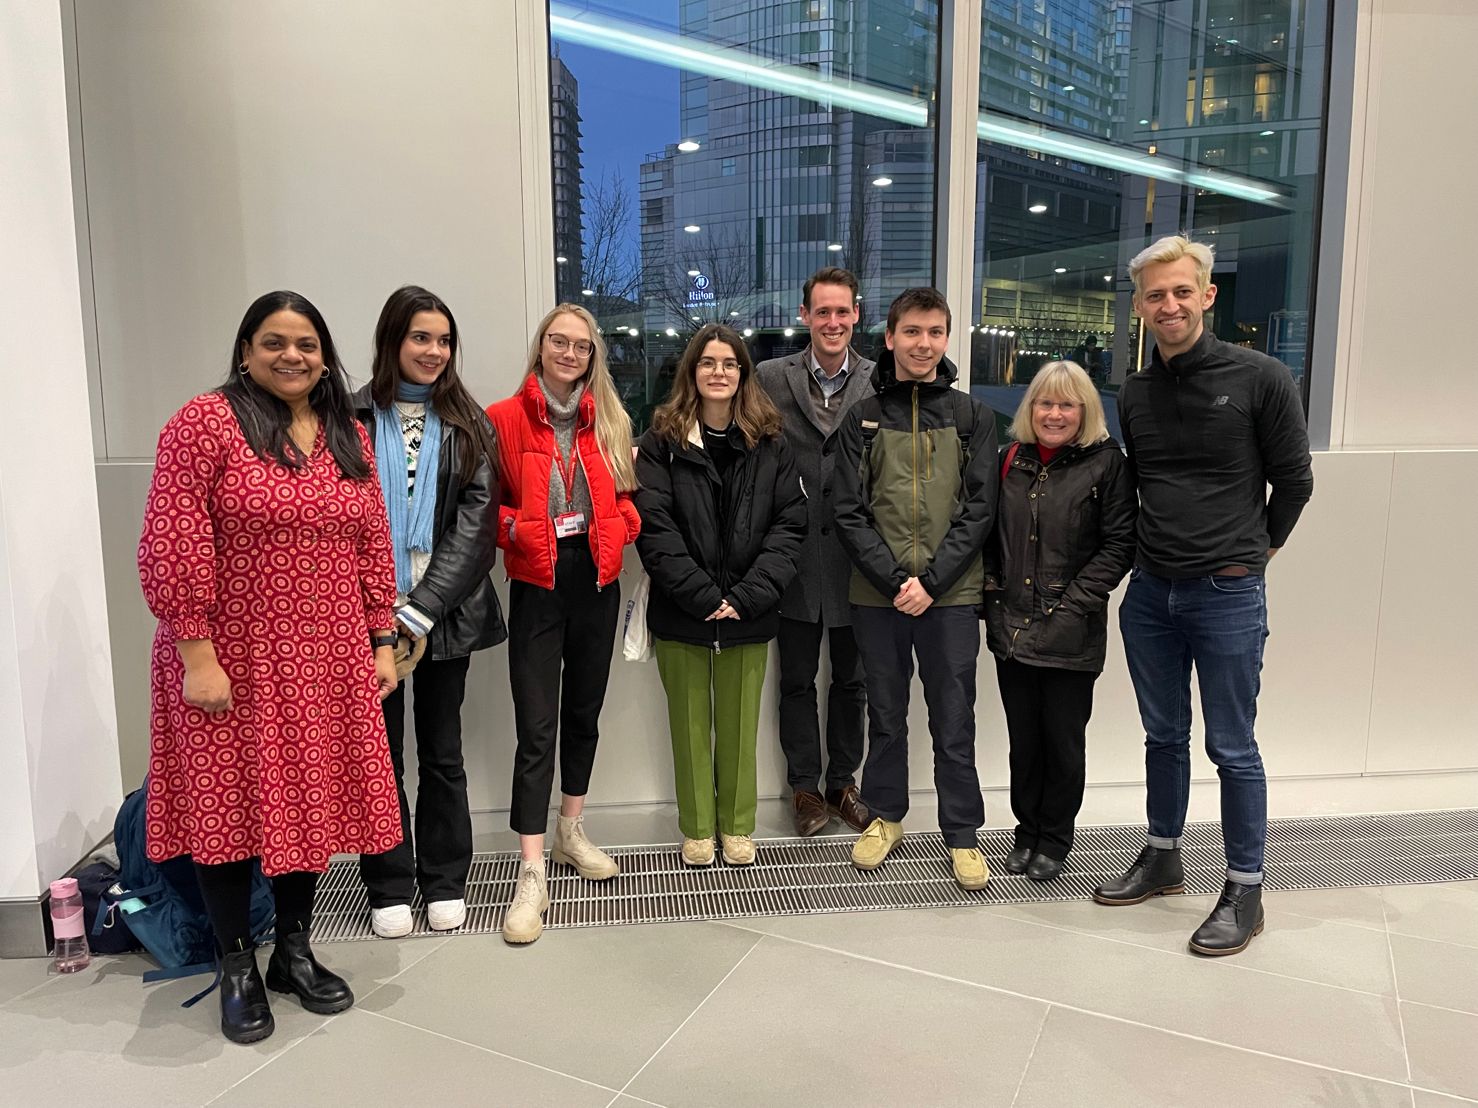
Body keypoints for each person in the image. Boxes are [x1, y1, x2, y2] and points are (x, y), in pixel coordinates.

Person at [138, 291, 401, 1044]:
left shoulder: (347, 434)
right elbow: (173, 538)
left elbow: (370, 543)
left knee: (306, 805)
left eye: (307, 344)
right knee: (230, 811)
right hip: (230, 657)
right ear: (246, 350)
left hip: (326, 656)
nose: (293, 356)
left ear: (325, 355)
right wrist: (196, 652)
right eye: (275, 342)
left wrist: (381, 638)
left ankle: (292, 949)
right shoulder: (205, 422)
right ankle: (235, 965)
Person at [1094, 235, 1313, 956]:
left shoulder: (1262, 377)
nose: (1170, 305)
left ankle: (1245, 889)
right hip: (1152, 595)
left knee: (1233, 747)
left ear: (1207, 295)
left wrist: (1254, 556)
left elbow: (1295, 481)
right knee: (1164, 736)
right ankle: (1162, 856)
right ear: (1140, 307)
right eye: (1155, 295)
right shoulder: (1136, 391)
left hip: (1226, 593)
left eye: (1182, 291)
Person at [829, 288, 1000, 890]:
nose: (923, 344)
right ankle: (885, 817)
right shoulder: (864, 417)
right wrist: (896, 580)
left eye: (934, 332)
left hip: (950, 597)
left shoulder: (973, 416)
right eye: (912, 332)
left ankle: (961, 835)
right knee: (886, 713)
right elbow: (846, 510)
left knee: (955, 717)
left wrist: (930, 583)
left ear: (946, 339)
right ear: (891, 338)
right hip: (877, 596)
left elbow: (980, 510)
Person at [354, 286, 505, 940]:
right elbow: (340, 519)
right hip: (363, 615)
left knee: (443, 751)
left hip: (442, 616)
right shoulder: (347, 419)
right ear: (393, 341)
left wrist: (418, 613)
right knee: (379, 755)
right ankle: (387, 884)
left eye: (444, 340)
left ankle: (444, 879)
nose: (434, 351)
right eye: (421, 337)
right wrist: (382, 614)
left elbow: (476, 531)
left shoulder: (471, 421)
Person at [487, 304, 640, 945]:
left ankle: (571, 829)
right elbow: (482, 507)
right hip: (536, 583)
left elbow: (630, 497)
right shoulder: (501, 419)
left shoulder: (609, 418)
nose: (569, 354)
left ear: (592, 354)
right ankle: (530, 870)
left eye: (581, 346)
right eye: (559, 342)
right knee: (535, 729)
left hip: (596, 581)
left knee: (584, 714)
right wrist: (517, 530)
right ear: (541, 347)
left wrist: (620, 527)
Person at [636, 324, 806, 868]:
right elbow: (653, 526)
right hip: (683, 610)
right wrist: (702, 594)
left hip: (749, 612)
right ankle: (696, 827)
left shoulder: (770, 442)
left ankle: (736, 825)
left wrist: (747, 595)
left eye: (729, 364)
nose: (718, 372)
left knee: (739, 726)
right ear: (692, 371)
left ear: (743, 374)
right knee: (688, 726)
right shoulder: (660, 441)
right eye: (707, 362)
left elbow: (789, 525)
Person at [984, 361, 1135, 882]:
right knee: (1023, 740)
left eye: (1066, 404)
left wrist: (1071, 606)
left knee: (1063, 741)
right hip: (1012, 631)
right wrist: (991, 598)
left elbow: (1119, 546)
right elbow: (989, 539)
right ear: (1031, 409)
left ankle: (1055, 838)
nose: (1054, 414)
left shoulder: (1107, 465)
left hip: (1072, 630)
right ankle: (1026, 833)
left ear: (1085, 411)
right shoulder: (1009, 460)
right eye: (1045, 403)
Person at [755, 267, 875, 837]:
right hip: (793, 559)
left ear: (857, 314)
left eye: (842, 312)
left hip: (860, 562)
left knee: (852, 683)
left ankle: (842, 783)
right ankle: (805, 789)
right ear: (804, 315)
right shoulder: (768, 378)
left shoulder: (882, 381)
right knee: (796, 681)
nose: (832, 322)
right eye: (821, 312)